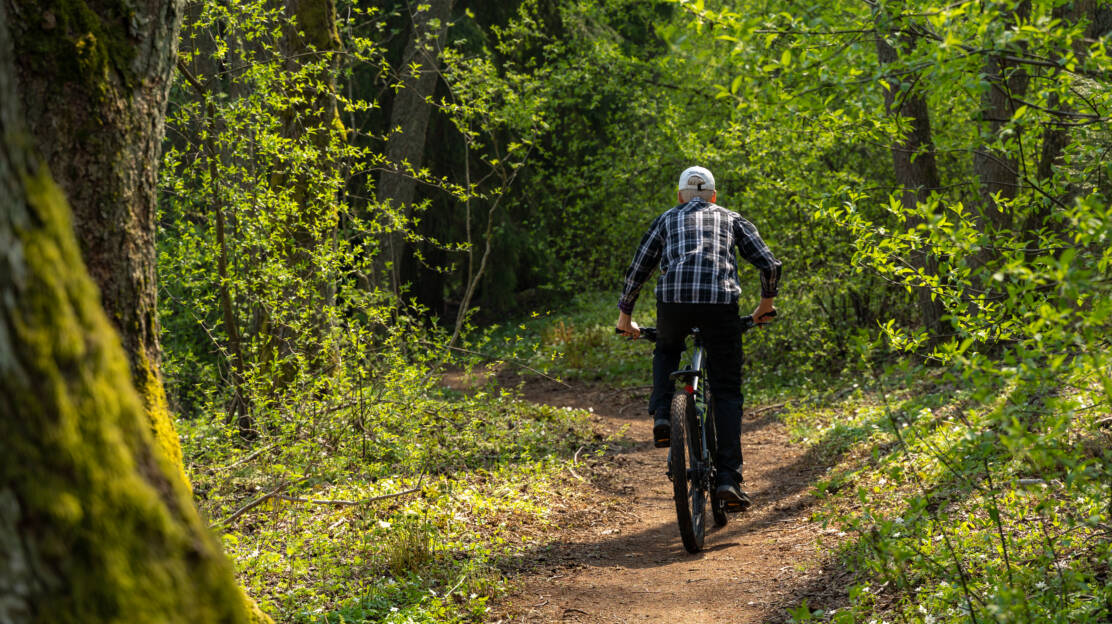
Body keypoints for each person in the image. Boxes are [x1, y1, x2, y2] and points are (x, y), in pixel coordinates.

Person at [616, 165, 781, 510]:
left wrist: (625, 318)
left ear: (680, 196)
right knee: (726, 390)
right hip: (720, 305)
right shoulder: (732, 219)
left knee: (666, 348)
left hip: (673, 303)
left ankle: (663, 414)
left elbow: (638, 269)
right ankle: (727, 479)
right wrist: (764, 305)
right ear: (714, 196)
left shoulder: (666, 219)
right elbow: (768, 264)